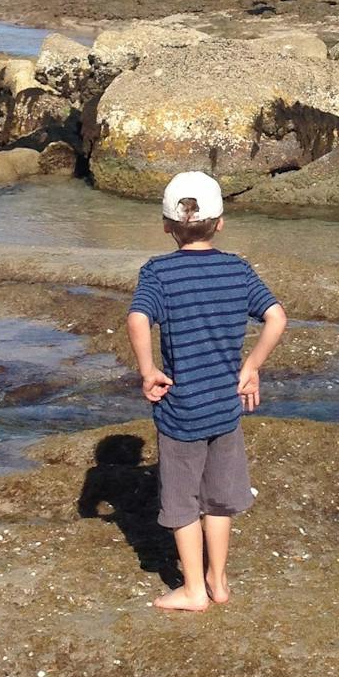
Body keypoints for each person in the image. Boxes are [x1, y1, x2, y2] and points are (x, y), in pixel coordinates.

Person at [125, 170, 287, 612]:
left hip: (181, 411)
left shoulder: (158, 272)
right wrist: (251, 367)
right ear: (220, 223)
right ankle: (219, 580)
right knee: (219, 499)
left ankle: (194, 590)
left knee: (182, 502)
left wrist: (148, 370)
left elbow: (138, 319)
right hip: (225, 408)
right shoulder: (237, 268)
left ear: (165, 225)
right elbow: (276, 316)